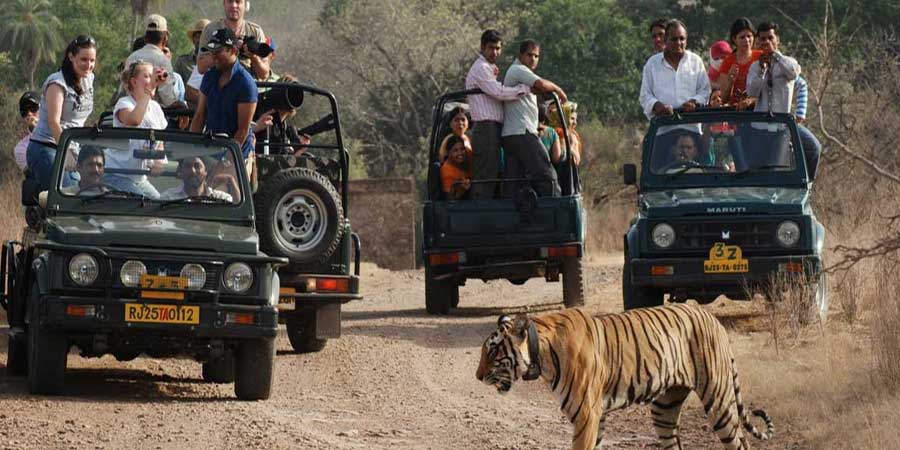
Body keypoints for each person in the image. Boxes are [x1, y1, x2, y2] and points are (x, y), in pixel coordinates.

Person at [464, 29, 532, 200]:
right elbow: (498, 92)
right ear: (482, 47)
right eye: (490, 48)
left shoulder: (489, 68)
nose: (495, 52)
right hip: (486, 128)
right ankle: (480, 217)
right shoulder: (481, 68)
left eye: (498, 48)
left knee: (495, 171)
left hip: (494, 128)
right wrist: (522, 90)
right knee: (485, 175)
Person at [746, 22, 820, 176]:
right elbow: (752, 91)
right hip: (759, 128)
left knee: (812, 148)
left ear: (777, 39)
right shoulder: (755, 67)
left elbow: (794, 74)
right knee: (758, 171)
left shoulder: (787, 62)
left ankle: (806, 184)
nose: (766, 42)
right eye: (763, 39)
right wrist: (762, 70)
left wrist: (775, 56)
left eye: (770, 38)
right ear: (758, 42)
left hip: (782, 127)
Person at [27, 35, 97, 191]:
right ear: (71, 56)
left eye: (92, 60)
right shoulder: (57, 83)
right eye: (84, 59)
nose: (88, 65)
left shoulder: (89, 78)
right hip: (47, 147)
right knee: (68, 196)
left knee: (87, 192)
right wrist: (66, 153)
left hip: (73, 148)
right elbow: (54, 122)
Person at [190, 28, 259, 185]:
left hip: (237, 153)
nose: (213, 56)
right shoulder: (209, 76)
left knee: (228, 197)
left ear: (233, 50)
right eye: (211, 51)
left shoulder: (245, 83)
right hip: (211, 147)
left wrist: (225, 163)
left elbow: (242, 131)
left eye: (218, 51)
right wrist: (191, 151)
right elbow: (199, 116)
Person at [639, 20, 710, 168]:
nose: (679, 43)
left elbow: (705, 91)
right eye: (674, 39)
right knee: (659, 178)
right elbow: (644, 96)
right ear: (665, 40)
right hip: (663, 130)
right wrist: (658, 106)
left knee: (697, 180)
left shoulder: (695, 61)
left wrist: (694, 102)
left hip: (691, 131)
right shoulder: (652, 64)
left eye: (682, 39)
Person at [501, 39, 567, 198]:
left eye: (536, 56)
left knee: (515, 181)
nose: (533, 59)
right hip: (522, 132)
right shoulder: (518, 70)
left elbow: (538, 88)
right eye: (529, 55)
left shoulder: (521, 73)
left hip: (511, 135)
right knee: (546, 173)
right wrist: (560, 91)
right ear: (521, 55)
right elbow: (542, 85)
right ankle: (557, 210)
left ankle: (516, 219)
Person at [107, 60, 168, 198]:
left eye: (153, 76)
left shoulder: (156, 108)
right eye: (147, 76)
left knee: (159, 204)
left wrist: (159, 161)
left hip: (139, 179)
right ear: (134, 82)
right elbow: (135, 120)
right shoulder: (124, 103)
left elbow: (160, 140)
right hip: (116, 173)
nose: (151, 79)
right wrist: (149, 89)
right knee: (141, 202)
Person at [197, 0, 269, 81]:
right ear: (224, 3)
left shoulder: (255, 31)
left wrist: (253, 57)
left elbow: (264, 75)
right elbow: (201, 68)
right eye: (230, 1)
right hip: (218, 88)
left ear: (245, 5)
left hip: (246, 87)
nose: (234, 5)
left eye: (238, 2)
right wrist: (223, 51)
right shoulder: (210, 30)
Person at [123, 14, 181, 109]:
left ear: (145, 38)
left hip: (130, 111)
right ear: (165, 38)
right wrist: (179, 105)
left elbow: (125, 88)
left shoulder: (132, 57)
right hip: (152, 113)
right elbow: (167, 97)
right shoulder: (163, 60)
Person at [717, 18, 761, 109]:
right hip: (736, 115)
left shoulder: (761, 57)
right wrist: (730, 81)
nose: (747, 40)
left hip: (759, 113)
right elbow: (724, 99)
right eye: (742, 37)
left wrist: (750, 101)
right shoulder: (727, 63)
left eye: (749, 36)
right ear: (734, 39)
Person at [162, 156, 233, 201]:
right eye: (187, 166)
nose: (193, 171)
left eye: (197, 166)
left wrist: (231, 180)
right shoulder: (168, 198)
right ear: (181, 173)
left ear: (206, 172)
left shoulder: (222, 199)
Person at [175, 18, 210, 83]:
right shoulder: (182, 62)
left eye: (205, 37)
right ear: (193, 39)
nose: (201, 41)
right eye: (198, 37)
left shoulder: (217, 62)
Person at [440, 135, 473, 200]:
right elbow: (450, 199)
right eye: (455, 150)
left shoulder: (466, 161)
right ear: (448, 152)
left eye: (462, 149)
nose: (460, 153)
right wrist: (462, 189)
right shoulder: (447, 172)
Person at [14, 91, 39, 171]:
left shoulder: (59, 133)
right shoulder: (21, 148)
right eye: (24, 111)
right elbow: (33, 175)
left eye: (33, 108)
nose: (29, 114)